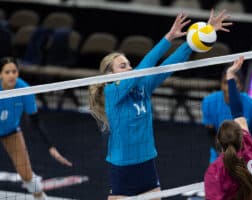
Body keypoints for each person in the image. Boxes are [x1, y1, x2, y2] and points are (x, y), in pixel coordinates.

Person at [89, 9, 232, 200]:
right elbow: (145, 66)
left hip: (147, 160)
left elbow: (170, 65)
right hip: (123, 164)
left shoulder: (143, 86)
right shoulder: (112, 91)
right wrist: (169, 37)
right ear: (110, 75)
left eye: (129, 64)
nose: (130, 68)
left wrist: (198, 37)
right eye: (123, 66)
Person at [0, 57, 72, 200]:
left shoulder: (25, 90)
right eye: (7, 72)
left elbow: (35, 121)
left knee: (25, 173)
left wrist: (50, 147)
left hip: (10, 132)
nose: (11, 75)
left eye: (14, 71)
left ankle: (40, 197)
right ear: (0, 74)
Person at [204, 56, 252, 200]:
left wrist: (230, 74)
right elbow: (238, 112)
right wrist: (230, 76)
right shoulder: (248, 147)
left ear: (219, 142)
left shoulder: (215, 170)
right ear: (242, 136)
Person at [202, 64, 252, 163]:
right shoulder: (208, 102)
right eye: (226, 83)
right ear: (221, 85)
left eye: (233, 83)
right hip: (219, 155)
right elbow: (210, 133)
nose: (229, 87)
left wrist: (242, 153)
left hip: (246, 155)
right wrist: (222, 152)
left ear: (240, 85)